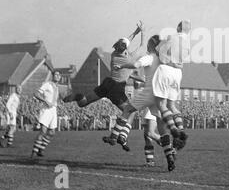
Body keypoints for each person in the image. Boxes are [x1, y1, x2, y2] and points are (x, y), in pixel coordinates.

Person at [64, 22, 143, 151]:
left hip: (107, 83)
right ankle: (119, 136)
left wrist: (135, 32)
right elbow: (141, 46)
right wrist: (142, 33)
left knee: (83, 103)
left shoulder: (114, 55)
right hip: (117, 88)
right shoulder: (129, 61)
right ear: (126, 49)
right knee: (130, 111)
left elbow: (127, 41)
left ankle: (79, 96)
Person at [105, 34, 176, 171]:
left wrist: (122, 66)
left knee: (127, 110)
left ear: (150, 46)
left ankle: (115, 136)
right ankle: (169, 156)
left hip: (148, 93)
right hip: (160, 95)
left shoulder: (150, 57)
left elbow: (135, 64)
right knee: (162, 128)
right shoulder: (164, 60)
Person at [152, 20, 191, 150]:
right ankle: (181, 129)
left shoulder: (171, 37)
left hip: (166, 70)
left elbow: (158, 51)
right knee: (172, 105)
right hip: (178, 73)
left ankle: (173, 128)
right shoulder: (188, 43)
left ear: (179, 27)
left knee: (161, 105)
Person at [31, 71, 61, 158]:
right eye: (56, 74)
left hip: (53, 110)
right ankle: (34, 152)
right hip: (46, 109)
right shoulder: (47, 84)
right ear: (53, 76)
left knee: (52, 132)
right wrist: (45, 101)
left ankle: (40, 148)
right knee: (43, 131)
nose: (58, 76)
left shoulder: (57, 87)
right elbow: (36, 93)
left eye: (59, 75)